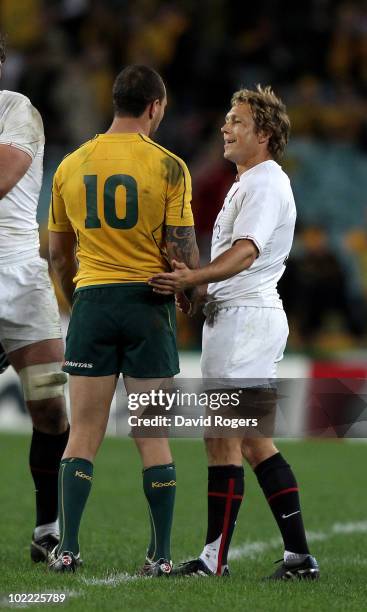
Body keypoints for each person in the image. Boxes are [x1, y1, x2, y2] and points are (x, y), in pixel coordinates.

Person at [149, 85, 319, 580]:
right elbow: (238, 262)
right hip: (236, 318)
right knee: (250, 440)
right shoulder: (247, 182)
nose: (226, 127)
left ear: (264, 134)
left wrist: (194, 278)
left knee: (224, 437)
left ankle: (213, 560)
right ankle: (297, 557)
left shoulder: (266, 184)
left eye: (237, 121)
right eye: (226, 119)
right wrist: (194, 293)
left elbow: (245, 253)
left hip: (247, 321)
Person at [47, 65, 199, 574]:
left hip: (93, 301)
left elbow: (56, 254)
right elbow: (184, 256)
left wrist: (78, 299)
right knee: (151, 432)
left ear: (115, 102)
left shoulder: (71, 164)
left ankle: (66, 549)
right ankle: (159, 557)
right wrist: (188, 294)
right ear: (154, 106)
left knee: (82, 433)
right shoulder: (171, 167)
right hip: (147, 304)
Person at [0, 35, 69, 562]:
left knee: (49, 407)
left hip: (23, 283)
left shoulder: (15, 108)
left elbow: (3, 176)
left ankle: (48, 530)